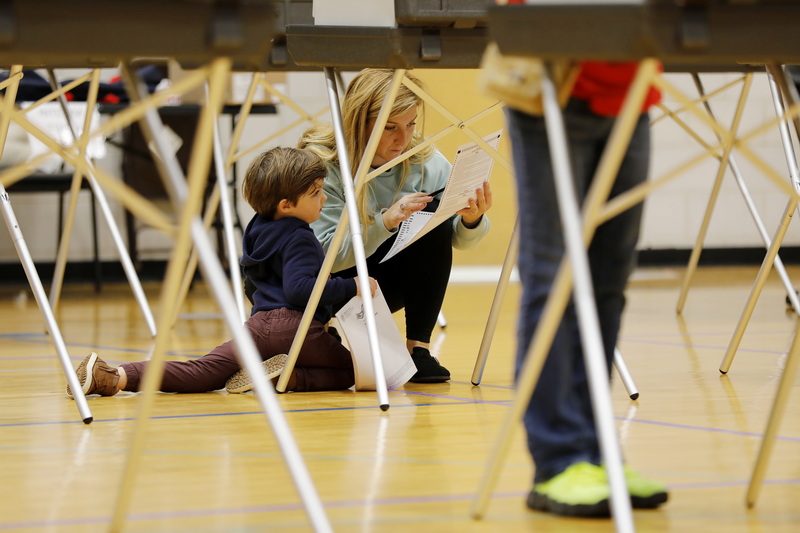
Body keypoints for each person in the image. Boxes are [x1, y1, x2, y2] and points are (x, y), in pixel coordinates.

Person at [67, 146, 376, 398]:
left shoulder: (258, 229)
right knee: (354, 370)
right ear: (286, 204)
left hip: (258, 325)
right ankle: (288, 378)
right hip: (296, 328)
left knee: (203, 371)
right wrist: (352, 286)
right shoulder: (301, 237)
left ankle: (112, 376)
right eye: (316, 192)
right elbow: (299, 289)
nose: (324, 198)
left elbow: (251, 287)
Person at [504, 60, 669, 516]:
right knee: (555, 281)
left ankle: (597, 456)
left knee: (609, 280)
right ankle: (559, 460)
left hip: (632, 91)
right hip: (555, 84)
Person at [298, 68, 493, 383]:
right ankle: (324, 331)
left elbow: (456, 240)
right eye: (390, 127)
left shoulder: (424, 159)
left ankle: (419, 349)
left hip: (386, 283)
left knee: (431, 217)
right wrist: (386, 221)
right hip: (330, 284)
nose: (403, 139)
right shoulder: (321, 162)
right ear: (357, 120)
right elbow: (325, 258)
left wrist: (472, 218)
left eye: (411, 124)